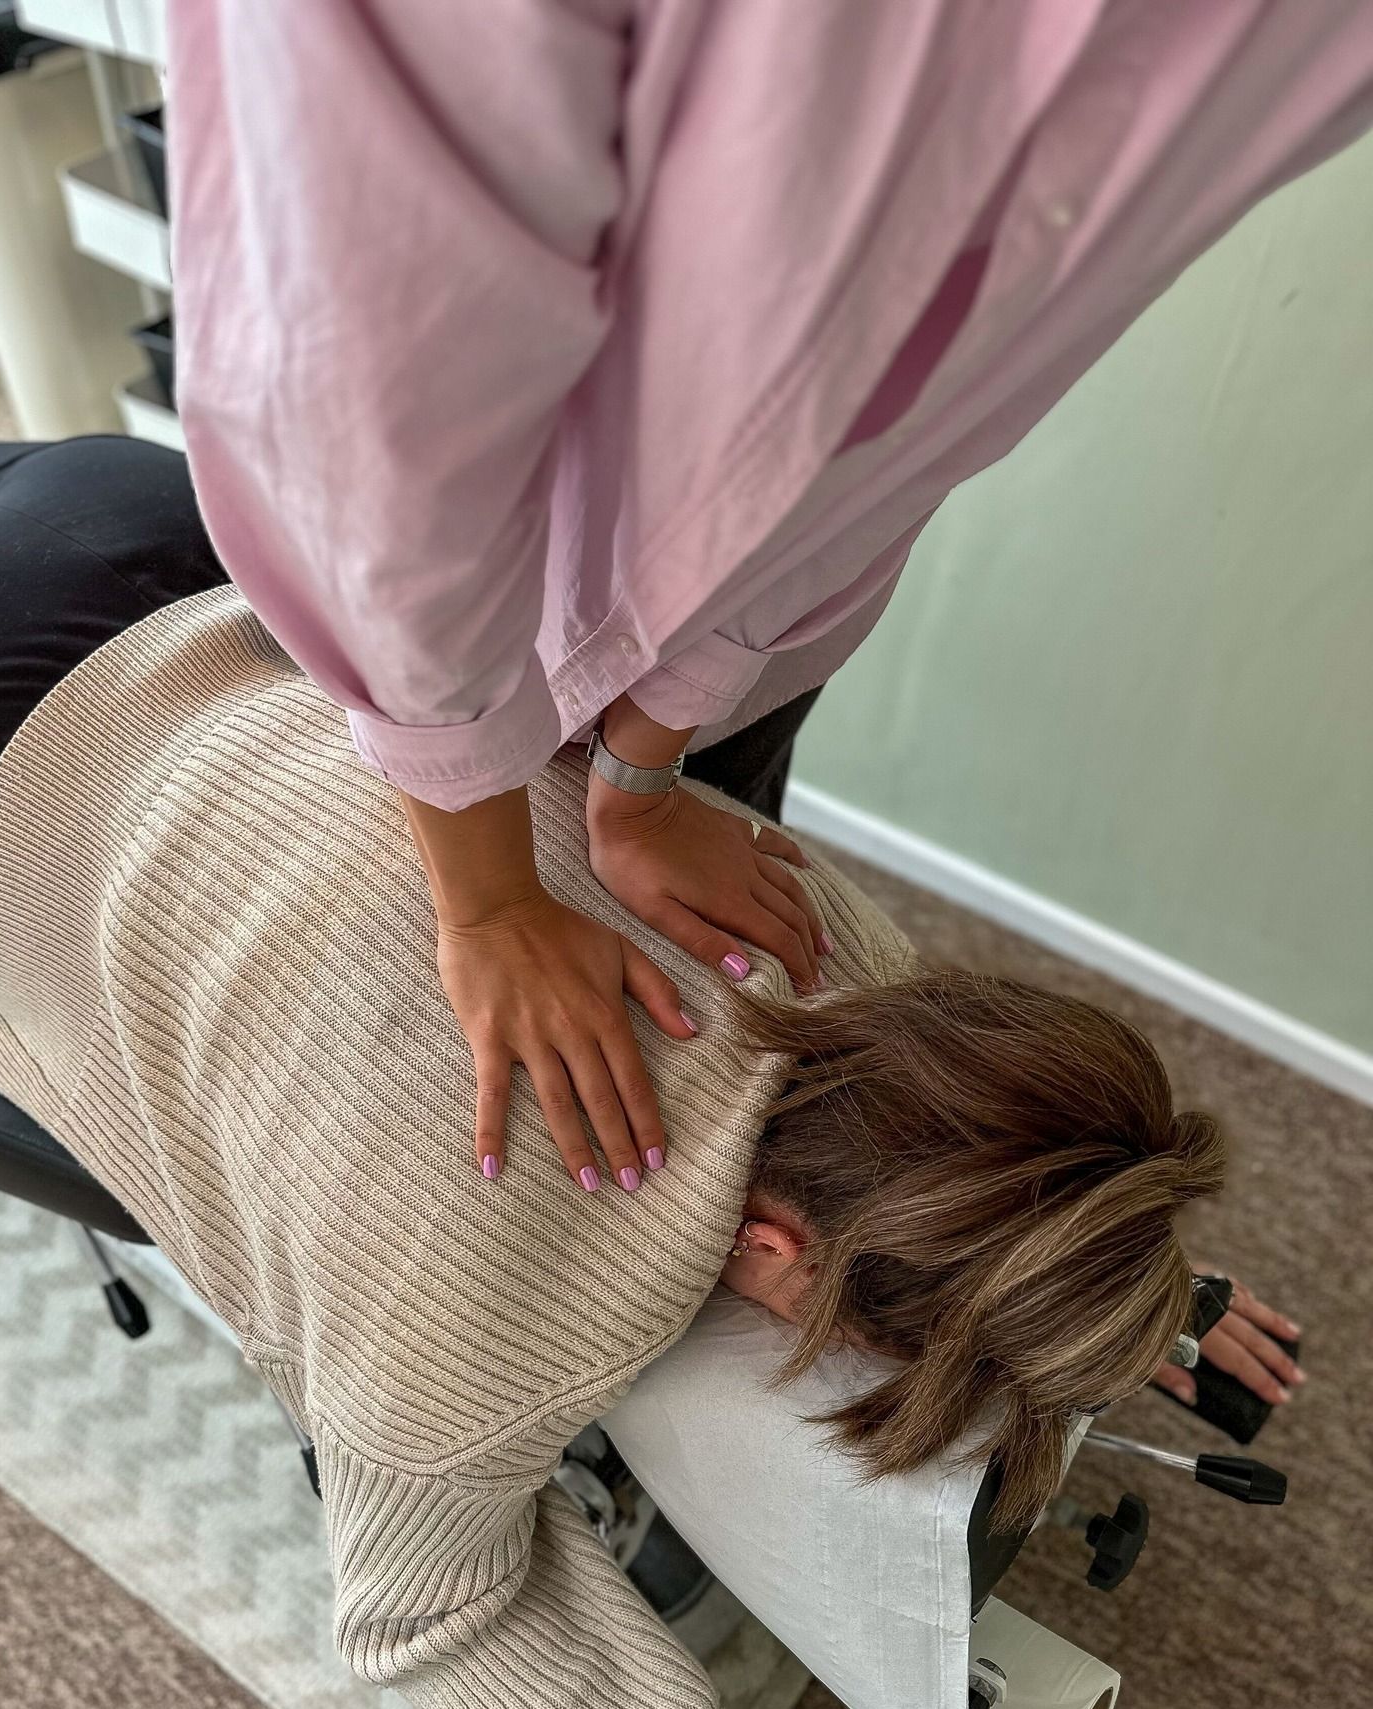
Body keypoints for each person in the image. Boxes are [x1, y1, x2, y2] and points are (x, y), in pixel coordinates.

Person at [0, 386, 1305, 1709]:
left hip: (153, 544)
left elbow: (1008, 1153)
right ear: (772, 1256)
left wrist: (1134, 1279)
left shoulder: (817, 956)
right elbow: (427, 1602)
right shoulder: (473, 1299)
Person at [166, 0, 1373, 1192]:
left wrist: (647, 771)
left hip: (740, 666)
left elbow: (914, 399)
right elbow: (377, 398)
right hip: (436, 663)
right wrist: (486, 901)